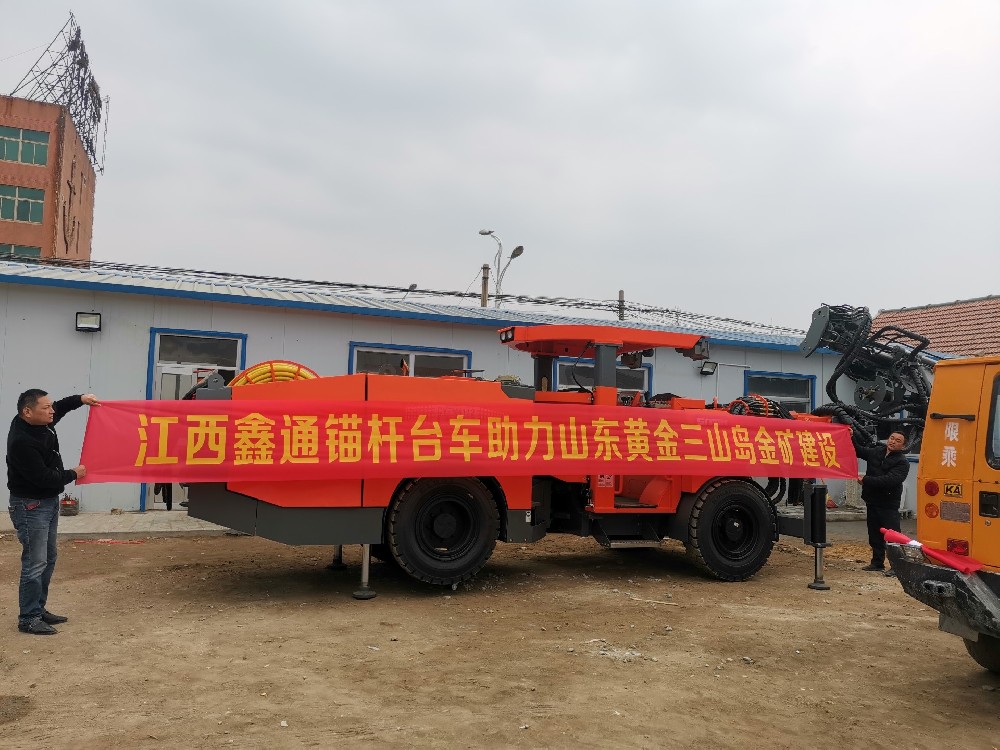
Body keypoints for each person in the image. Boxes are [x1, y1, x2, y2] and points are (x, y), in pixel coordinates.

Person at [7, 389, 100, 635]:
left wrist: (81, 399)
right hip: (30, 506)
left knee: (48, 558)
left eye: (50, 407)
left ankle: (38, 609)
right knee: (35, 562)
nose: (52, 411)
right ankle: (28, 618)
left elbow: (62, 406)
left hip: (47, 502)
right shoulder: (22, 442)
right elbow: (43, 477)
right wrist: (73, 474)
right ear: (27, 412)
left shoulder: (40, 421)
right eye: (46, 408)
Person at [856, 431, 909, 577]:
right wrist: (850, 435)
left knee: (893, 536)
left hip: (888, 503)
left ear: (903, 446)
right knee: (874, 534)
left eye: (898, 441)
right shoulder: (877, 452)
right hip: (872, 500)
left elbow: (889, 480)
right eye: (892, 438)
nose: (893, 442)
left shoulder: (902, 462)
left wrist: (866, 480)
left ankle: (897, 567)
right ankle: (877, 562)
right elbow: (858, 450)